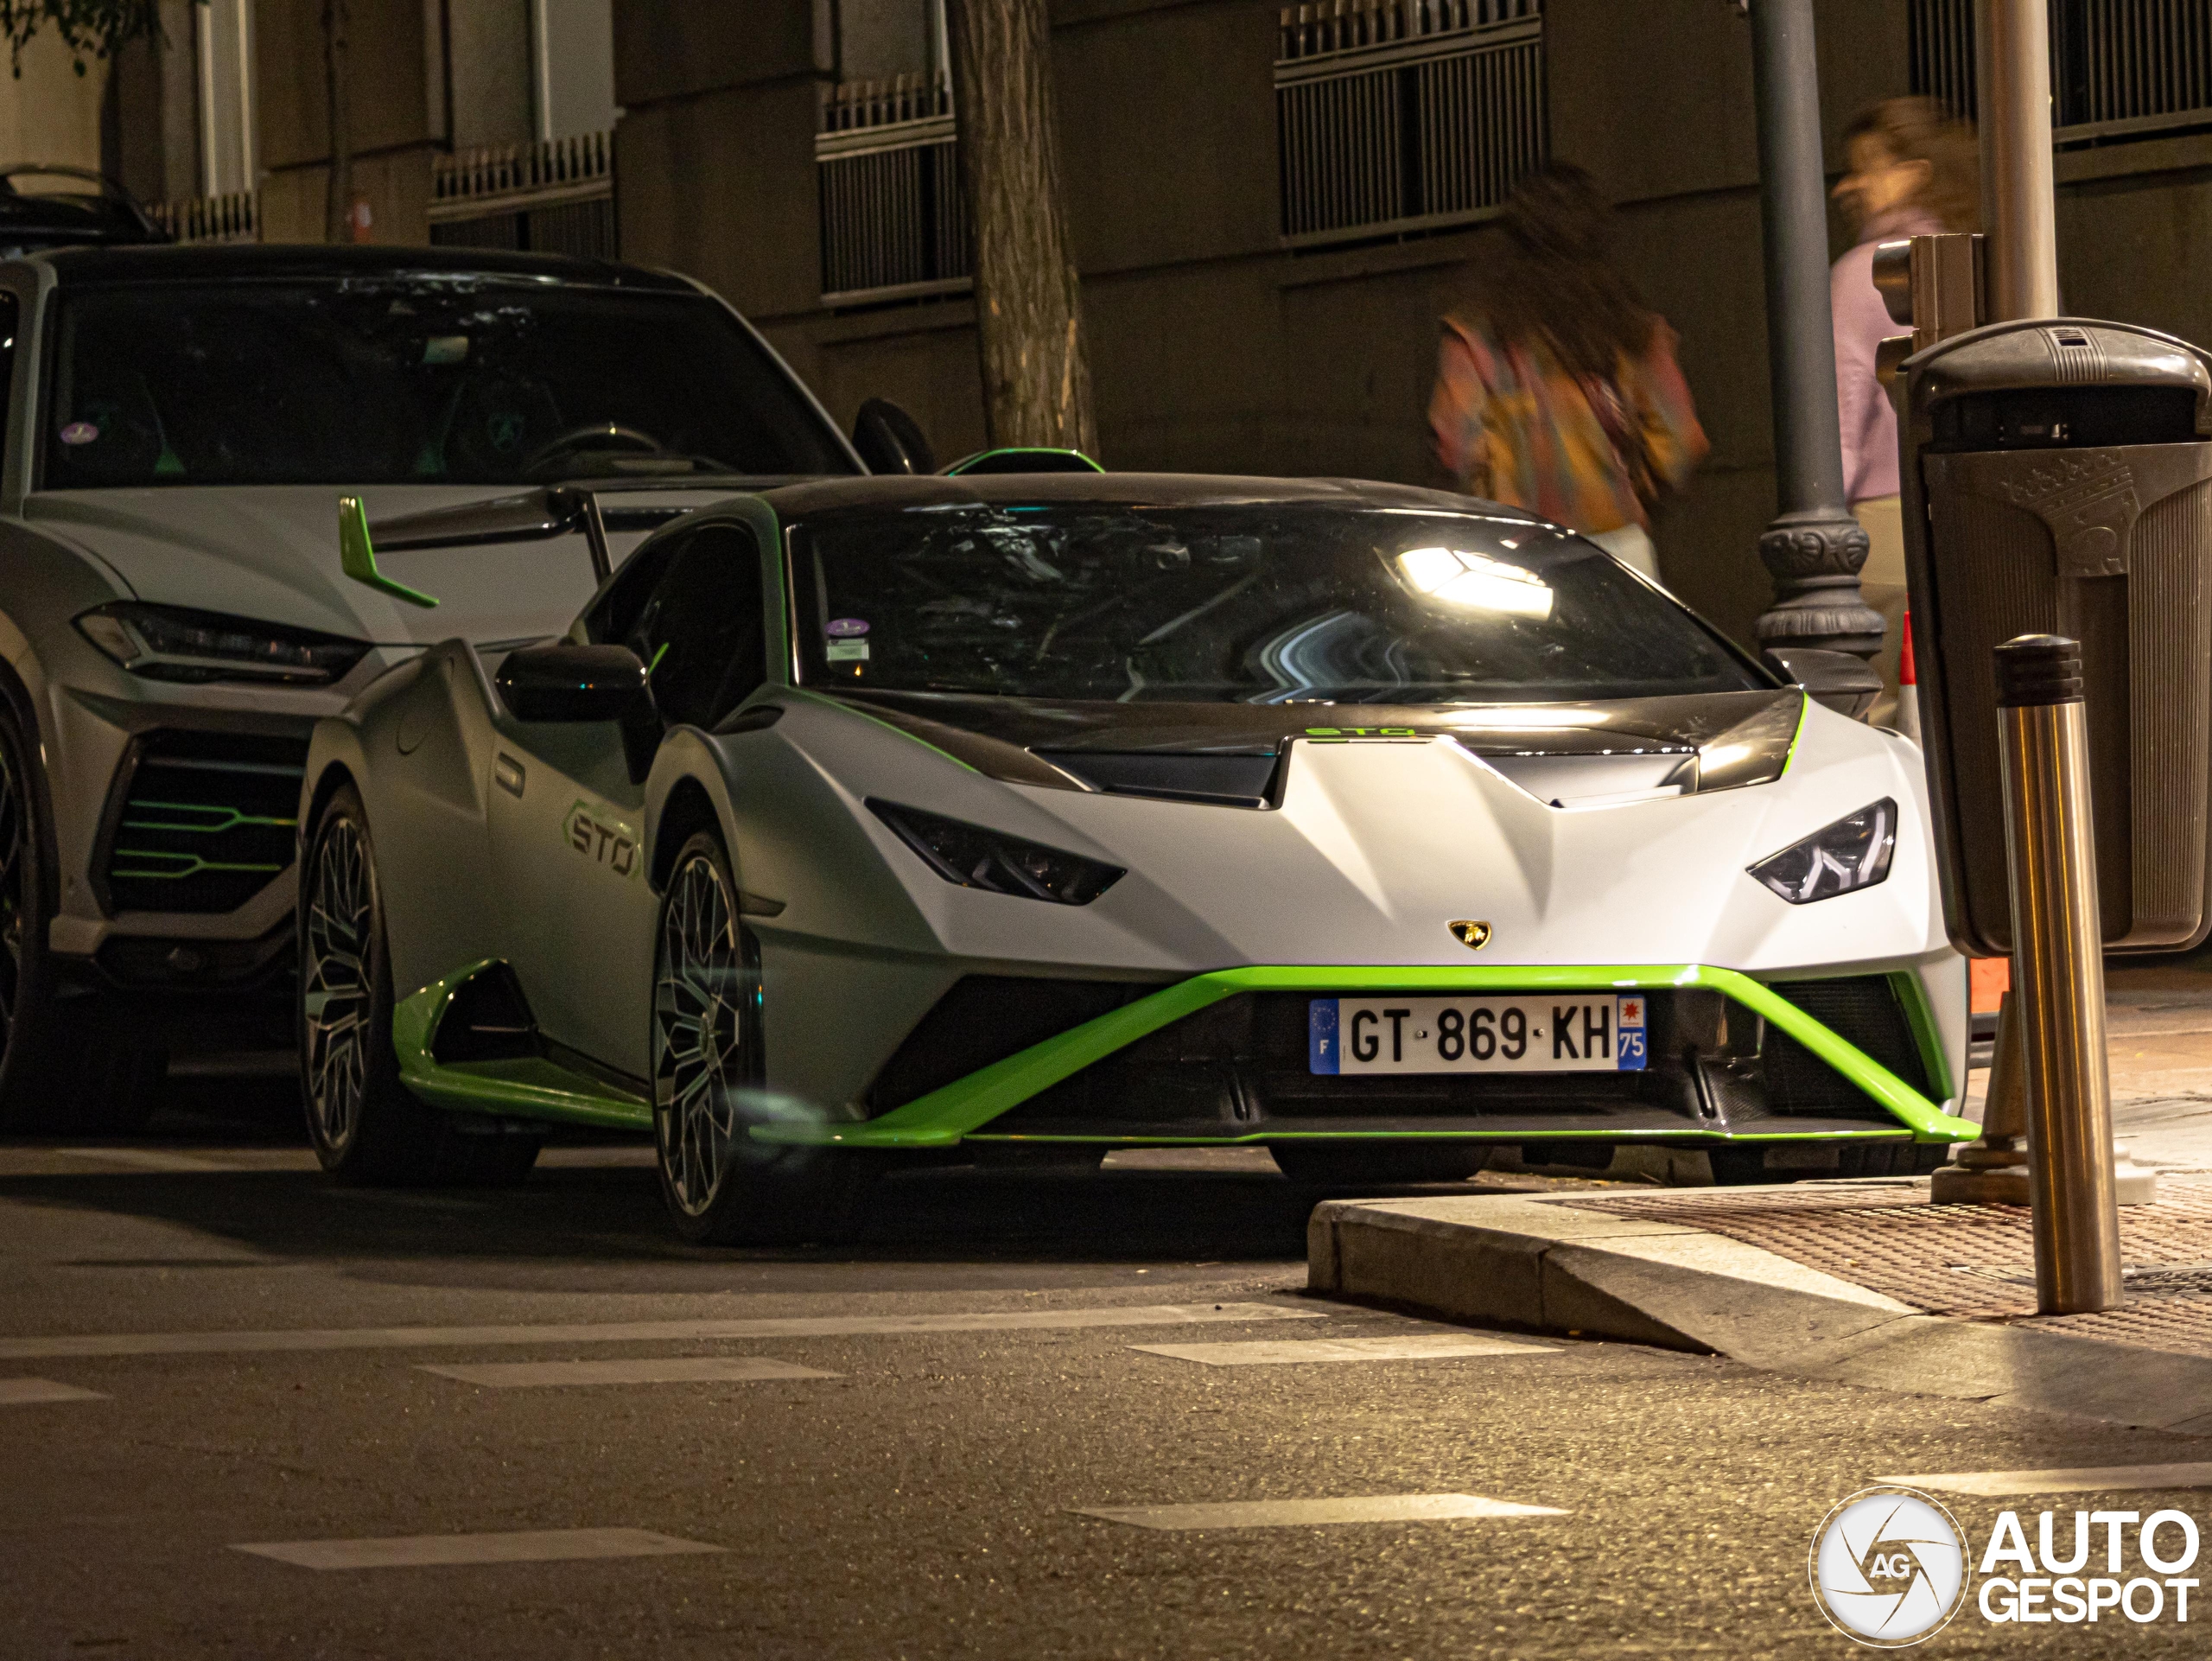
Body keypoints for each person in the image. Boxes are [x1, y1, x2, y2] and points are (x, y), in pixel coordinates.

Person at [1429, 163, 1707, 585]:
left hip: (1512, 555)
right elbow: (1681, 442)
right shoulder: (1631, 333)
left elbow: (1458, 447)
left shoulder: (1476, 338)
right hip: (1619, 546)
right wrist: (1627, 489)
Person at [1832, 97, 1977, 723]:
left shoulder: (1861, 273)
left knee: (1878, 716)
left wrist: (1822, 525)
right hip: (1969, 511)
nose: (1851, 185)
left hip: (1885, 526)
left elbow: (1841, 407)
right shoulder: (1975, 257)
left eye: (1869, 167)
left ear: (1914, 172)